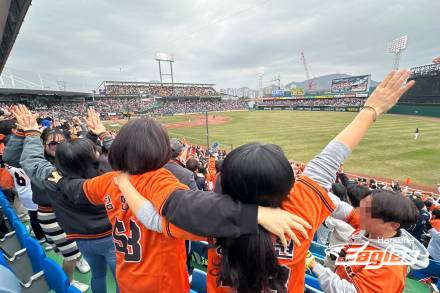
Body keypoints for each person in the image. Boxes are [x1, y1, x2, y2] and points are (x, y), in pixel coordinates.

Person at [113, 70, 417, 292]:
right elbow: (331, 156)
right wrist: (371, 109)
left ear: (225, 183)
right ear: (289, 182)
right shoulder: (305, 202)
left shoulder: (210, 214)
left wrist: (125, 183)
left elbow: (153, 218)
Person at [50, 117, 308, 293]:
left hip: (127, 276)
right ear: (160, 149)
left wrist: (59, 180)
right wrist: (254, 214)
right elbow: (186, 205)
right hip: (163, 283)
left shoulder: (109, 180)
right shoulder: (159, 178)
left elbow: (79, 190)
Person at [12, 106, 118, 293]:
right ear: (93, 156)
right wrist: (103, 133)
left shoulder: (54, 179)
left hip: (83, 239)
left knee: (98, 275)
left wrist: (30, 133)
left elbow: (32, 161)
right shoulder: (107, 175)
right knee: (120, 280)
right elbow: (122, 158)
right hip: (112, 237)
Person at [3, 113, 90, 292]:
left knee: (73, 246)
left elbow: (88, 153)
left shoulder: (68, 157)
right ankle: (69, 282)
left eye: (61, 142)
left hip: (69, 212)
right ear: (43, 145)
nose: (57, 147)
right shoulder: (40, 161)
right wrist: (25, 134)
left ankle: (77, 257)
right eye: (52, 143)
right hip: (51, 214)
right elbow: (10, 158)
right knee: (70, 253)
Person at [308, 191, 429, 293]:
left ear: (393, 225)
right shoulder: (369, 230)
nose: (359, 213)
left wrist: (313, 265)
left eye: (367, 212)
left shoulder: (389, 267)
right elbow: (342, 208)